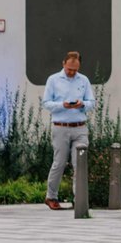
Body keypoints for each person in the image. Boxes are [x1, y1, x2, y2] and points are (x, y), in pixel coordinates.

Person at [42, 49, 95, 210]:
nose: (72, 72)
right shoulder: (53, 80)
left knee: (79, 163)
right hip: (61, 127)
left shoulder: (83, 80)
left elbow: (92, 102)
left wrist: (83, 104)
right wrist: (62, 105)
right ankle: (51, 196)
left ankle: (79, 198)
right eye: (69, 69)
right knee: (59, 163)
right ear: (63, 64)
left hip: (80, 127)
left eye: (75, 70)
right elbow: (46, 103)